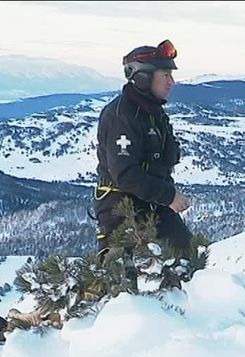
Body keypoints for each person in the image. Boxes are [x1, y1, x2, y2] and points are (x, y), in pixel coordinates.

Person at [94, 39, 193, 280]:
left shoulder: (154, 113)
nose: (172, 82)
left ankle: (183, 311)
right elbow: (126, 174)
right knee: (120, 280)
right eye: (165, 75)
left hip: (153, 202)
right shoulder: (121, 116)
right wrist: (169, 196)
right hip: (121, 205)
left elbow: (166, 157)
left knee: (188, 260)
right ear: (143, 77)